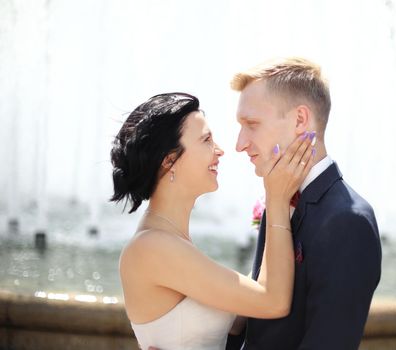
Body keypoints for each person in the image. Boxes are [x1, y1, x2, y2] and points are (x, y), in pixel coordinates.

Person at [109, 92, 316, 350]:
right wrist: (276, 199)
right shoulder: (151, 248)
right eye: (207, 140)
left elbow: (241, 317)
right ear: (169, 161)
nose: (220, 151)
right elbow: (273, 301)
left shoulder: (172, 241)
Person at [226, 57, 382, 350]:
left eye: (252, 124)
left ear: (300, 120)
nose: (239, 143)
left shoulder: (349, 222)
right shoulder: (277, 197)